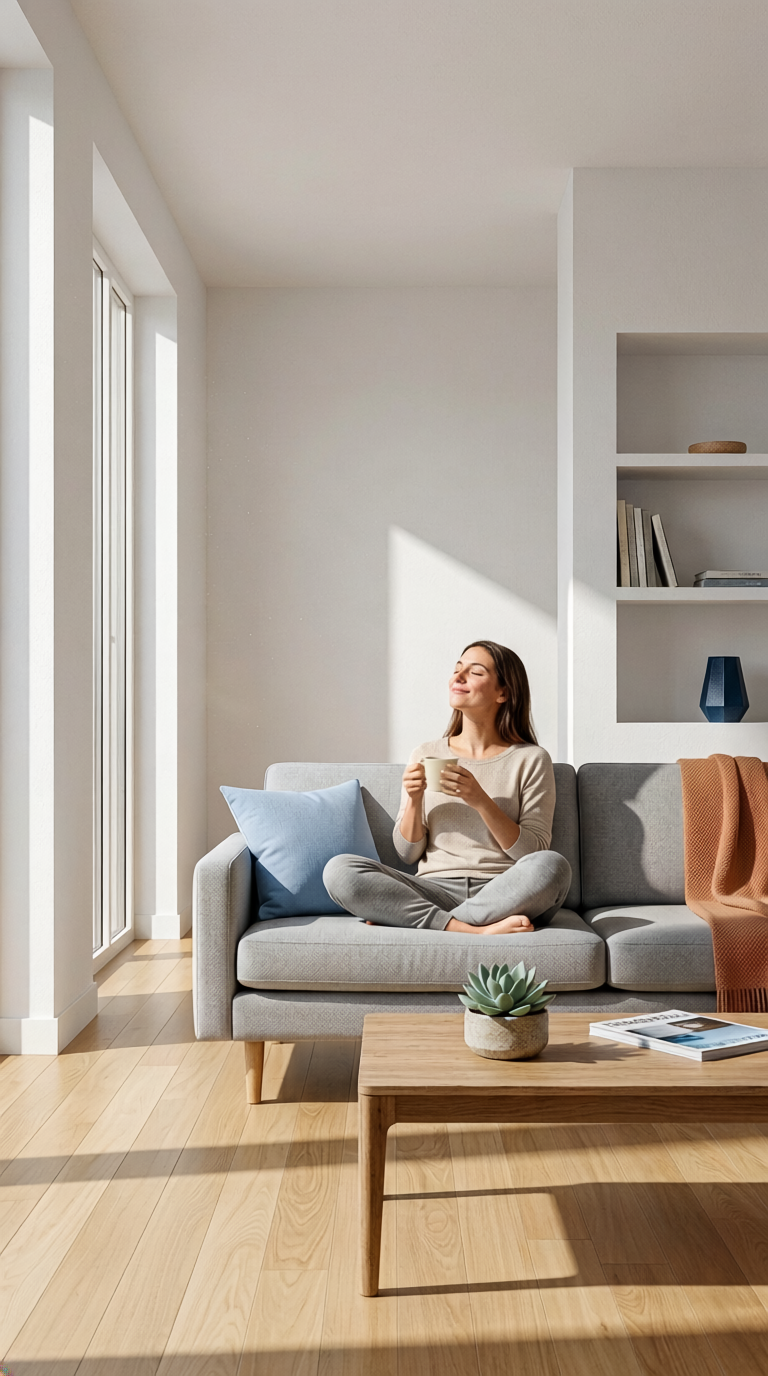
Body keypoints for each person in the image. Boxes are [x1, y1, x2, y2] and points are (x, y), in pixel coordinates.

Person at [323, 640, 571, 934]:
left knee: (552, 866)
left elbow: (532, 851)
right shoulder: (426, 753)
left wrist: (480, 800)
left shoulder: (530, 759)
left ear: (503, 692)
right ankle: (471, 930)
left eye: (475, 672)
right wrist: (414, 800)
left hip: (504, 892)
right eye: (457, 669)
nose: (459, 677)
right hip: (433, 890)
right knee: (339, 871)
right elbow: (407, 854)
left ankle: (431, 922)